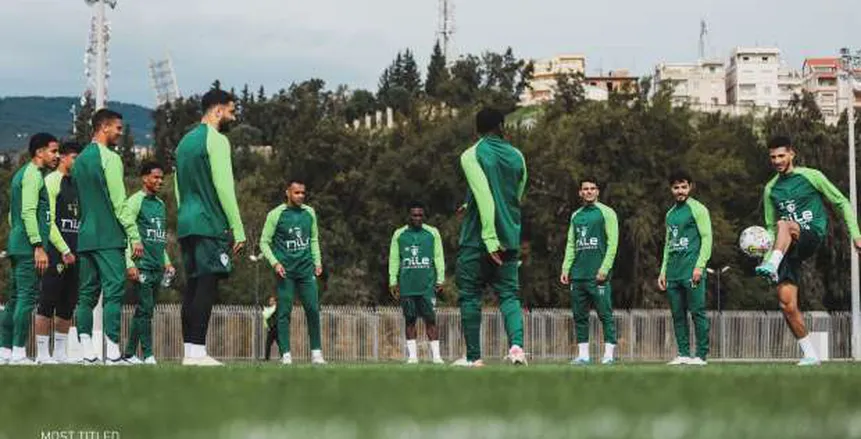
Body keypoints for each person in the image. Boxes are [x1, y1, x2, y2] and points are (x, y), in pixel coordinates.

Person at [754, 136, 861, 366]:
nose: (777, 161)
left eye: (781, 155)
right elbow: (770, 227)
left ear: (792, 154)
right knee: (787, 304)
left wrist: (856, 234)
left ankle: (772, 265)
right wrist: (766, 254)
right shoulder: (770, 189)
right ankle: (810, 354)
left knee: (785, 224)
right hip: (786, 245)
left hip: (811, 234)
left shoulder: (812, 176)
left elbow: (841, 202)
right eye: (773, 157)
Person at [175, 89, 246, 366]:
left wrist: (184, 215)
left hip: (186, 222)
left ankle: (189, 352)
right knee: (207, 284)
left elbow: (178, 188)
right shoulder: (217, 140)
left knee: (192, 286)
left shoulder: (183, 143)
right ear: (217, 111)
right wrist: (237, 227)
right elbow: (224, 187)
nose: (233, 117)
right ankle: (198, 351)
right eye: (231, 111)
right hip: (208, 222)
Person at [453, 108, 528, 367]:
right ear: (502, 126)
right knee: (509, 296)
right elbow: (516, 195)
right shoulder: (518, 156)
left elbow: (485, 196)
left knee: (470, 296)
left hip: (478, 240)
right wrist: (470, 204)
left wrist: (489, 238)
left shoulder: (471, 155)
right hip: (510, 237)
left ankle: (474, 358)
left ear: (477, 129)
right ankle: (517, 348)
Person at [73, 109, 141, 365]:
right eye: (118, 128)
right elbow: (119, 203)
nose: (120, 133)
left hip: (85, 236)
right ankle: (112, 352)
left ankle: (87, 352)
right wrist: (134, 235)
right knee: (113, 292)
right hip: (108, 236)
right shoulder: (111, 158)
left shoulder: (79, 160)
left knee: (86, 296)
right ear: (104, 127)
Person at [0, 133, 59, 365]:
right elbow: (27, 212)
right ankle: (18, 351)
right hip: (28, 247)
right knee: (26, 297)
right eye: (53, 151)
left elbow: (12, 215)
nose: (57, 156)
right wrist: (37, 245)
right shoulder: (33, 175)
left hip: (18, 243)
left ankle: (5, 350)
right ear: (39, 152)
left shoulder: (22, 174)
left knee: (15, 298)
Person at [259, 179, 325, 365]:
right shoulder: (275, 215)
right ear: (287, 193)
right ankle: (286, 354)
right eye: (297, 192)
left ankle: (317, 354)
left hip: (306, 270)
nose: (301, 196)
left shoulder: (309, 213)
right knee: (284, 312)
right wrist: (275, 263)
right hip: (285, 272)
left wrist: (317, 261)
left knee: (313, 309)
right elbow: (264, 242)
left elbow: (313, 239)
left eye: (303, 193)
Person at [560, 177, 619, 365]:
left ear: (598, 191)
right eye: (585, 189)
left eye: (592, 188)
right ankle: (583, 355)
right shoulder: (576, 216)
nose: (589, 191)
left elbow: (613, 243)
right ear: (580, 192)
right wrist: (566, 268)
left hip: (598, 275)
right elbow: (571, 244)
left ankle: (609, 355)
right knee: (579, 316)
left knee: (605, 315)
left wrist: (605, 268)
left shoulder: (607, 213)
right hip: (577, 275)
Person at [121, 161, 174, 365]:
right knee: (146, 307)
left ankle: (128, 354)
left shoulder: (160, 205)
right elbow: (126, 234)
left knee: (145, 310)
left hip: (156, 267)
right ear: (145, 178)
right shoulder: (135, 201)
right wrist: (129, 263)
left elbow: (158, 238)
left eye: (162, 178)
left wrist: (167, 262)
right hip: (141, 265)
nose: (160, 181)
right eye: (156, 177)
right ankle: (148, 354)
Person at [658, 170, 712, 366]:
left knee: (697, 312)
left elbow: (707, 238)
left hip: (692, 270)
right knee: (677, 314)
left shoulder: (698, 209)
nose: (680, 191)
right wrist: (663, 271)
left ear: (690, 187)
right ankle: (683, 353)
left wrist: (700, 266)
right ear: (671, 189)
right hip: (673, 272)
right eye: (676, 187)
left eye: (683, 187)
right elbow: (668, 244)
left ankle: (701, 355)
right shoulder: (670, 214)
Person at [35, 141, 81, 364]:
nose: (78, 163)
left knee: (68, 304)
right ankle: (42, 354)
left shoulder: (78, 184)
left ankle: (60, 353)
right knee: (47, 302)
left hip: (77, 253)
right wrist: (64, 249)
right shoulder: (52, 180)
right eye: (75, 158)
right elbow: (49, 221)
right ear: (63, 157)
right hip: (56, 252)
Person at [388, 202, 445, 364]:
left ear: (424, 216)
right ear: (409, 216)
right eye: (414, 215)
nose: (417, 218)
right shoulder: (399, 234)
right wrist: (392, 281)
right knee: (410, 320)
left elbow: (439, 256)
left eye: (420, 215)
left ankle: (437, 357)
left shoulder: (432, 233)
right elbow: (394, 259)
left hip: (427, 286)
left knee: (430, 320)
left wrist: (440, 278)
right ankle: (412, 357)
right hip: (407, 286)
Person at [262, 295, 278, 361]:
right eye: (270, 301)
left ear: (275, 302)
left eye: (272, 301)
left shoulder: (276, 309)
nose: (270, 302)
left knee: (280, 343)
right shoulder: (269, 309)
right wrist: (267, 327)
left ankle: (284, 356)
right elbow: (266, 318)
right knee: (268, 344)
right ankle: (266, 358)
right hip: (271, 329)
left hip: (276, 329)